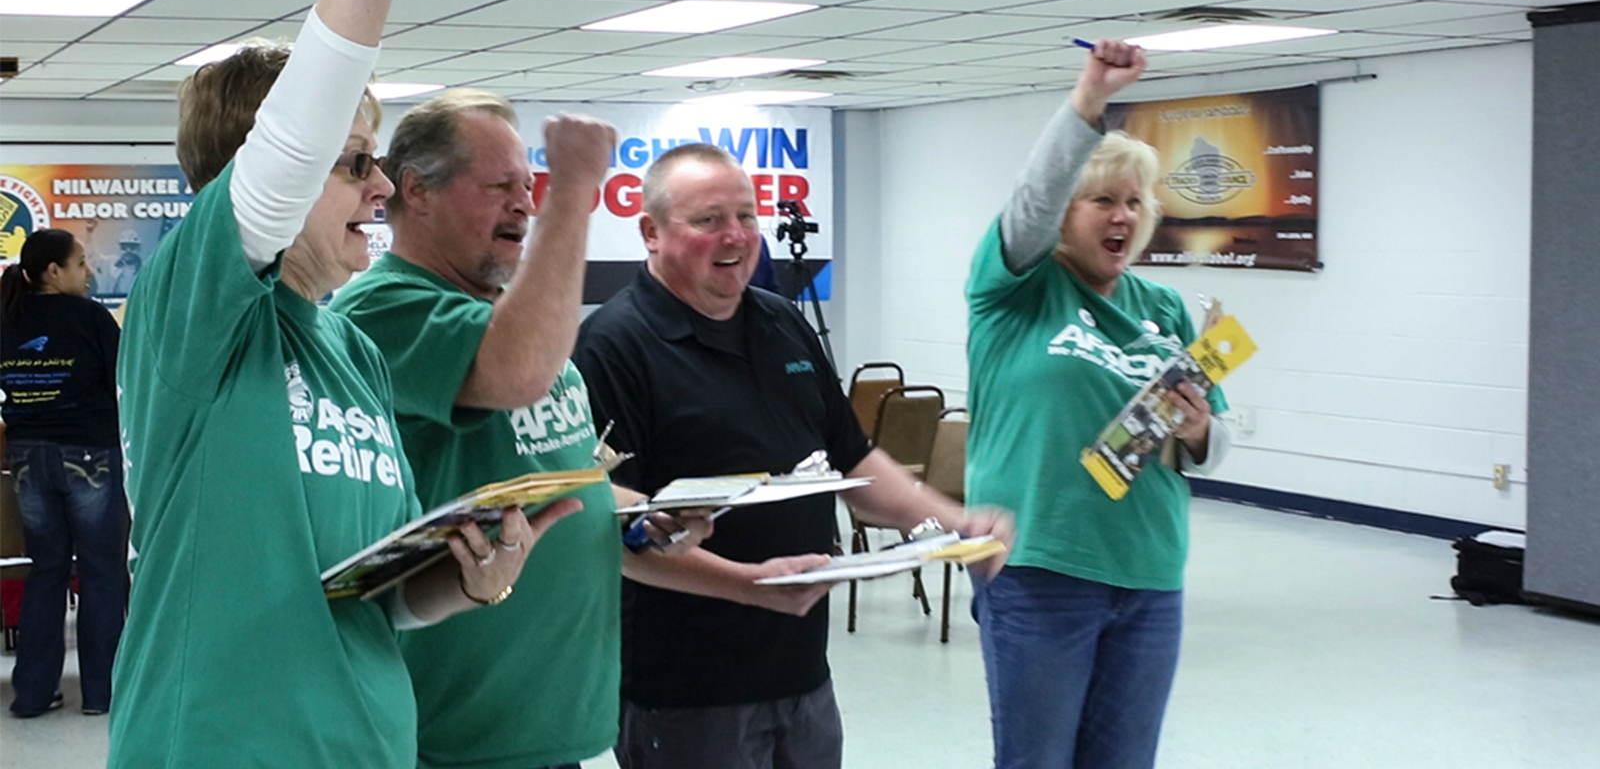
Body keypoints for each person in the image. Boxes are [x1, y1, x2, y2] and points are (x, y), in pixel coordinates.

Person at [109, 0, 567, 766]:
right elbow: (289, 141)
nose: (384, 186)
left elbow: (376, 596)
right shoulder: (192, 318)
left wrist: (473, 579)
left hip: (367, 746)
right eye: (355, 164)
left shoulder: (353, 349)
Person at [572, 142, 1012, 769]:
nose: (737, 236)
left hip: (801, 672)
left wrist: (951, 519)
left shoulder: (781, 321)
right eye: (709, 220)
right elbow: (614, 533)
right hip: (685, 690)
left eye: (748, 216)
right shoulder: (613, 346)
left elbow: (851, 462)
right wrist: (748, 586)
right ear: (650, 232)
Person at [334, 89, 706, 769]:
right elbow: (515, 375)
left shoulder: (517, 317)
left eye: (531, 185)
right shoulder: (382, 307)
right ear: (416, 191)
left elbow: (560, 478)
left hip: (548, 724)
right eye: (501, 186)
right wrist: (575, 189)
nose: (526, 204)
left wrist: (638, 514)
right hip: (454, 737)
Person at [964, 39, 1231, 769]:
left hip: (1148, 573)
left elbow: (1213, 440)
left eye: (1135, 202)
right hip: (1039, 568)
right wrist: (1091, 96)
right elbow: (1033, 197)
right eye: (1103, 199)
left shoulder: (1166, 308)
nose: (1123, 216)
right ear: (1064, 212)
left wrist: (1202, 427)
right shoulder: (1015, 288)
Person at [0, 229, 128, 718]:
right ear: (53, 272)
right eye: (80, 263)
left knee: (45, 573)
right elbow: (124, 381)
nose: (88, 272)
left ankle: (32, 695)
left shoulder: (7, 319)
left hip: (29, 459)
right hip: (90, 456)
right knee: (100, 573)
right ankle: (102, 693)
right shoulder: (91, 318)